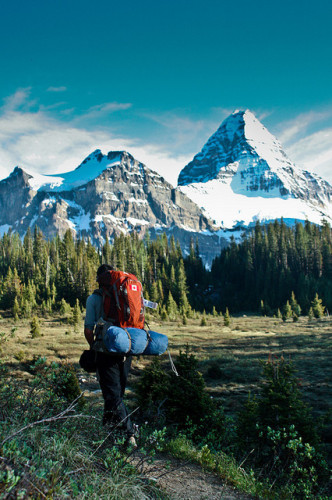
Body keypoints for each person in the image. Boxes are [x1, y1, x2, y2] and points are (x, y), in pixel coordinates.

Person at [84, 264, 136, 447]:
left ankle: (129, 435)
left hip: (105, 351)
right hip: (126, 350)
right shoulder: (122, 294)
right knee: (116, 394)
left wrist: (93, 347)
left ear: (99, 280)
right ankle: (108, 435)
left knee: (112, 396)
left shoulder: (94, 299)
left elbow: (88, 330)